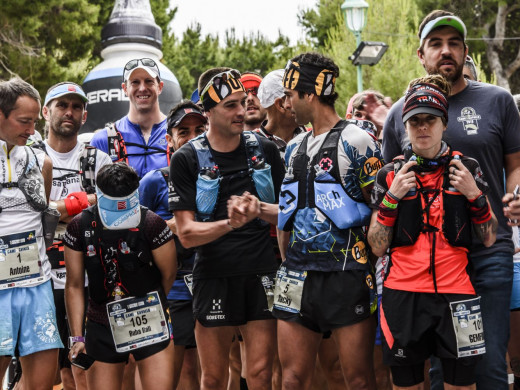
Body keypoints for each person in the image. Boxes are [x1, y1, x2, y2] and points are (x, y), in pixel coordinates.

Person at [382, 11, 520, 389]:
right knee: (442, 368)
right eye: (436, 44)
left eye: (454, 43)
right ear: (420, 54)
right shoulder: (399, 113)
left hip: (487, 249)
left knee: (490, 361)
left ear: (465, 51)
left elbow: (516, 165)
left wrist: (517, 195)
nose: (446, 51)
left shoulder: (497, 100)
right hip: (426, 261)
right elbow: (387, 181)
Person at [368, 74, 497, 389]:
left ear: (444, 123)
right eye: (415, 122)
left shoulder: (467, 168)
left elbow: (489, 236)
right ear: (406, 127)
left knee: (462, 384)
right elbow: (376, 246)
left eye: (430, 120)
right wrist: (392, 198)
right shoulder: (389, 175)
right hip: (403, 295)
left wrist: (474, 195)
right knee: (407, 384)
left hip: (458, 295)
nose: (422, 128)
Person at [170, 67, 284, 389]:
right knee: (215, 378)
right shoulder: (187, 158)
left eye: (242, 102)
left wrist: (258, 209)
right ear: (208, 112)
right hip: (213, 275)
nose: (240, 111)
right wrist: (230, 223)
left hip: (261, 270)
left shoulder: (265, 150)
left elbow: (289, 214)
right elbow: (188, 234)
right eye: (229, 106)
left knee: (261, 374)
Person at [274, 52, 382, 390]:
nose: (286, 103)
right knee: (291, 379)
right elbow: (285, 215)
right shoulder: (293, 147)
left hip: (346, 274)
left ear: (309, 94)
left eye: (290, 95)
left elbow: (380, 210)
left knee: (359, 380)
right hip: (296, 275)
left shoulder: (358, 141)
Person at [63, 162, 176, 390]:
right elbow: (74, 284)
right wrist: (77, 337)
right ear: (97, 195)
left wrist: (152, 303)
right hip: (101, 322)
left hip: (150, 320)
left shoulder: (152, 222)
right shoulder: (78, 226)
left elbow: (169, 273)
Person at [40, 81, 112, 390]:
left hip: (85, 280)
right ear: (46, 112)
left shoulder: (99, 161)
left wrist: (54, 210)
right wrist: (81, 201)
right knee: (44, 371)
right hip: (38, 279)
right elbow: (31, 214)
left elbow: (110, 216)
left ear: (84, 116)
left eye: (76, 107)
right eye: (62, 105)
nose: (69, 112)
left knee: (82, 367)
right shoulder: (27, 157)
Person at [139, 99, 206, 390]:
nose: (193, 138)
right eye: (184, 131)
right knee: (169, 374)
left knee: (205, 372)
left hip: (210, 284)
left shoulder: (218, 176)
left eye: (199, 129)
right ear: (170, 139)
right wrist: (171, 226)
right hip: (172, 291)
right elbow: (133, 229)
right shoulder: (154, 180)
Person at [0, 78, 61, 389]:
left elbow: (43, 217)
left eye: (34, 121)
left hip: (36, 283)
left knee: (42, 383)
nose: (31, 129)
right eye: (24, 121)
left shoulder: (41, 160)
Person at [90, 58, 169, 178]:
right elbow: (93, 192)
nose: (142, 88)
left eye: (149, 81)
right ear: (125, 89)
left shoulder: (178, 133)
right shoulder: (103, 140)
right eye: (135, 82)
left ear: (160, 87)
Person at [255, 69, 306, 158]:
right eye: (300, 96)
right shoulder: (253, 146)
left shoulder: (314, 137)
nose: (307, 102)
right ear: (281, 105)